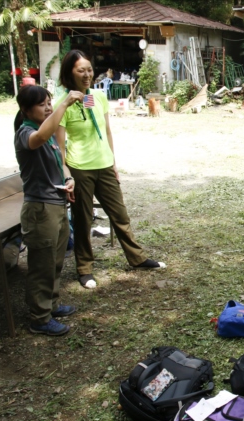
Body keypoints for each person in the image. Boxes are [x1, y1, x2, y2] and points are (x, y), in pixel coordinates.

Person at [54, 50, 165, 289]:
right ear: (69, 73)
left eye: (89, 70)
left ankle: (137, 258)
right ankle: (84, 269)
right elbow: (58, 144)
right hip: (79, 168)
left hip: (104, 164)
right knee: (83, 221)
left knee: (120, 214)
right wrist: (66, 173)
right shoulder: (63, 103)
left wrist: (113, 162)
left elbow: (106, 131)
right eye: (80, 70)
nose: (87, 75)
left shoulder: (97, 96)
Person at [14, 85, 84, 336]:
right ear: (25, 109)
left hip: (56, 204)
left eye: (49, 102)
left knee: (54, 261)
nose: (48, 107)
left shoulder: (49, 132)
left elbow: (60, 162)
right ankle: (40, 318)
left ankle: (52, 305)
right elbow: (39, 139)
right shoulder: (26, 132)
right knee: (41, 264)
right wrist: (64, 104)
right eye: (41, 104)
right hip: (40, 208)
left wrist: (69, 178)